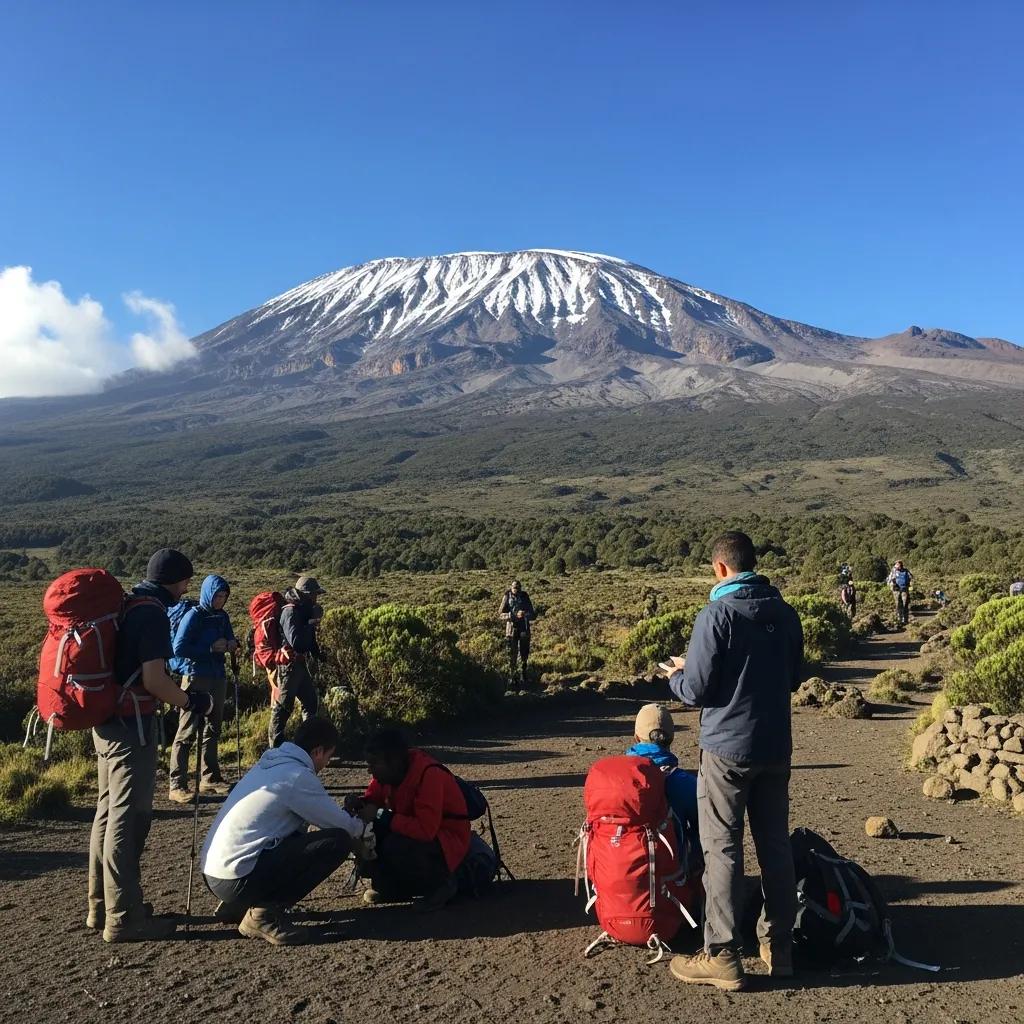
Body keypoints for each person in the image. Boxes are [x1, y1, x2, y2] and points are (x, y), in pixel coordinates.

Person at [664, 530, 804, 991]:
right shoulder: (785, 613)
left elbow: (698, 690)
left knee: (721, 846)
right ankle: (778, 946)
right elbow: (793, 677)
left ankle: (723, 954)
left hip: (726, 749)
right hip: (775, 747)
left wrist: (678, 676)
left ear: (720, 568)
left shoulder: (717, 614)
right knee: (774, 844)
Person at [89, 548, 215, 943]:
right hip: (133, 729)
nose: (186, 588)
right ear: (175, 581)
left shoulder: (127, 604)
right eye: (184, 581)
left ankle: (101, 905)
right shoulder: (153, 614)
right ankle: (124, 917)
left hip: (106, 722)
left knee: (107, 814)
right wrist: (193, 701)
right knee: (129, 819)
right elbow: (154, 680)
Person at [201, 717, 366, 945]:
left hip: (215, 874)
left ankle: (238, 905)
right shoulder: (297, 777)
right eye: (328, 757)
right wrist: (361, 824)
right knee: (337, 842)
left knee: (297, 834)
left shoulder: (269, 764)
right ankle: (264, 914)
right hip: (236, 879)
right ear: (318, 751)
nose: (327, 763)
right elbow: (343, 827)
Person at [348, 729, 471, 911]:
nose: (369, 770)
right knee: (369, 834)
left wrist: (381, 815)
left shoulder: (428, 774)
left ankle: (440, 886)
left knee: (395, 844)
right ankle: (394, 888)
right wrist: (359, 804)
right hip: (418, 834)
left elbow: (425, 830)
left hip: (447, 842)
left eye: (374, 764)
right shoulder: (388, 774)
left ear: (394, 762)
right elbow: (373, 799)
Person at [168, 574, 239, 803]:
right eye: (217, 595)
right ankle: (177, 784)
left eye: (224, 596)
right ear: (209, 594)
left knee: (213, 728)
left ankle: (210, 778)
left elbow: (231, 638)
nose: (220, 600)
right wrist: (209, 648)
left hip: (217, 676)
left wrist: (231, 645)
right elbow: (179, 648)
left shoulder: (222, 616)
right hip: (195, 676)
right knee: (187, 730)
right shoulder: (194, 616)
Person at [625, 703, 699, 851]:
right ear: (671, 738)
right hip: (671, 870)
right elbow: (704, 833)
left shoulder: (614, 778)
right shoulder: (688, 784)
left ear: (636, 738)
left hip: (617, 869)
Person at [269, 576, 325, 748]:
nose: (316, 598)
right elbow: (297, 642)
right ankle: (275, 746)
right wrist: (310, 624)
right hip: (289, 666)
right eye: (315, 594)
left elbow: (308, 641)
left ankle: (308, 745)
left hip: (298, 665)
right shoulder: (290, 612)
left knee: (310, 702)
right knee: (284, 706)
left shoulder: (302, 610)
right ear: (307, 594)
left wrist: (318, 654)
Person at [498, 579, 535, 687]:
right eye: (514, 587)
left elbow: (532, 613)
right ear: (511, 587)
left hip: (524, 628)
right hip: (511, 629)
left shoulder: (525, 596)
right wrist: (511, 616)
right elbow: (500, 614)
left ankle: (523, 674)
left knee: (524, 652)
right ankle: (512, 676)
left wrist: (525, 614)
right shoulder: (507, 596)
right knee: (512, 653)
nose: (516, 589)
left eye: (518, 587)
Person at [886, 560, 913, 627]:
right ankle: (900, 619)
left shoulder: (906, 571)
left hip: (904, 589)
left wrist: (910, 585)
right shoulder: (893, 571)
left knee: (905, 604)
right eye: (897, 565)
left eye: (899, 565)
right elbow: (889, 580)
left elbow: (911, 578)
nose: (898, 566)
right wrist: (892, 586)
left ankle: (905, 620)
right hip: (896, 590)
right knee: (898, 604)